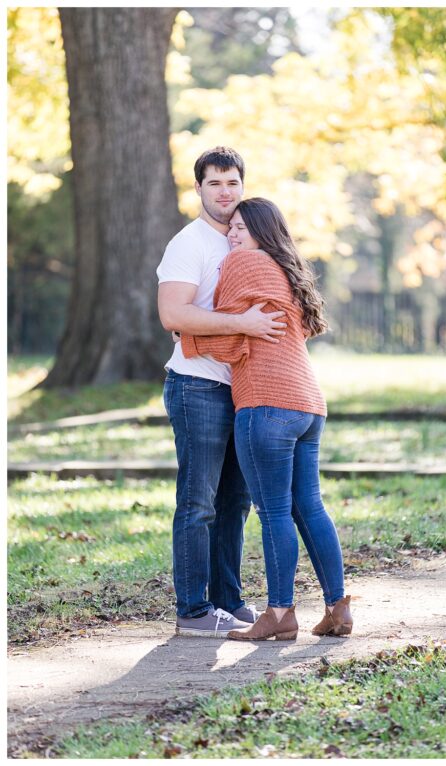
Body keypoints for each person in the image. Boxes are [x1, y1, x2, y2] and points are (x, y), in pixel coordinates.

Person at [180, 197, 352, 640]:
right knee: (309, 507)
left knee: (273, 511)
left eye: (241, 227)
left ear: (260, 231)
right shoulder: (287, 269)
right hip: (309, 405)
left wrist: (189, 337)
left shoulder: (243, 264)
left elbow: (231, 337)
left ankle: (279, 613)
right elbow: (252, 330)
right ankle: (337, 607)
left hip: (266, 402)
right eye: (231, 228)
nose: (233, 235)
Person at [157, 147, 288, 637]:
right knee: (198, 502)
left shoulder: (249, 242)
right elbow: (173, 314)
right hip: (196, 386)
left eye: (232, 182)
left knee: (236, 501)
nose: (225, 192)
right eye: (214, 184)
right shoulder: (189, 244)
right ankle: (192, 611)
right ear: (199, 189)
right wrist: (242, 324)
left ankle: (227, 601)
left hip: (242, 388)